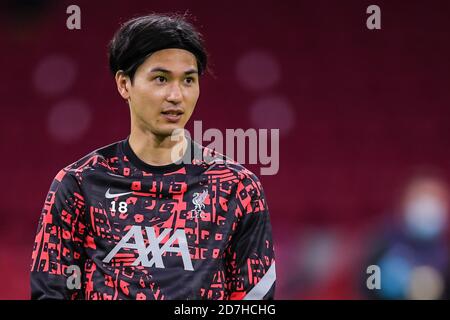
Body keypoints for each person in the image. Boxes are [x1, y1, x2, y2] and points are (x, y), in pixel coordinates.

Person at [30, 13, 276, 300]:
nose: (176, 95)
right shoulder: (79, 183)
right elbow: (50, 292)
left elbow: (255, 298)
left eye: (188, 80)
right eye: (160, 78)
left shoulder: (237, 187)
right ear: (124, 84)